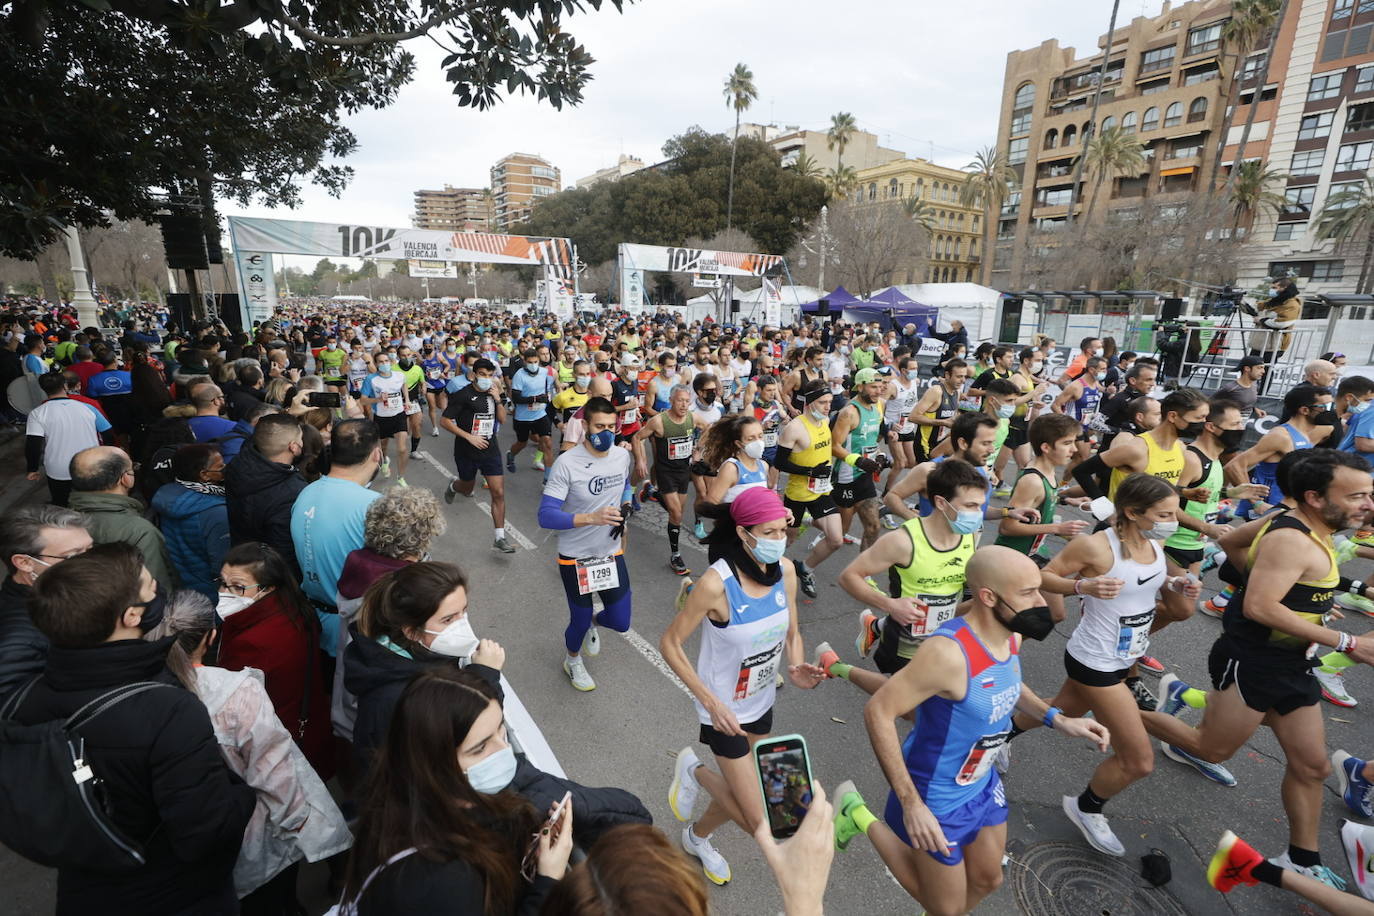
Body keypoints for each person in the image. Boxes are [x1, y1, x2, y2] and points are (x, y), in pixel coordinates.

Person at [831, 546, 1109, 916]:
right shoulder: (947, 654)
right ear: (988, 597)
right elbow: (879, 711)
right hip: (936, 795)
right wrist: (912, 804)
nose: (1040, 602)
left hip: (982, 782)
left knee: (988, 880)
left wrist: (1056, 718)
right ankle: (857, 815)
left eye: (1038, 589)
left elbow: (1008, 680)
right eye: (1027, 593)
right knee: (944, 909)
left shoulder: (1010, 634)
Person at [1142, 450, 1374, 889]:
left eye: (1371, 493)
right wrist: (1347, 643)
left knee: (1312, 768)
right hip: (1253, 662)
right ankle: (1111, 709)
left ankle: (1300, 860)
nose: (1369, 504)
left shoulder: (1305, 524)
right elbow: (1259, 605)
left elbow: (1231, 545)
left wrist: (1303, 600)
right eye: (1357, 495)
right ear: (1315, 497)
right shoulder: (1291, 537)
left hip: (1292, 666)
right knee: (1210, 749)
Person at [10, 542, 256, 914]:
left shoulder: (26, 698)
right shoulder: (167, 711)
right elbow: (206, 833)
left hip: (86, 889)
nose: (158, 589)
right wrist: (241, 793)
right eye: (150, 588)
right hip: (174, 894)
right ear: (130, 616)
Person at [1012, 474, 1226, 858]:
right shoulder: (1095, 547)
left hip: (1124, 656)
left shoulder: (1154, 543)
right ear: (1133, 511)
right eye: (1164, 513)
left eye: (1174, 511)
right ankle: (1086, 807)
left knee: (1063, 710)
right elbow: (1040, 576)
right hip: (1094, 661)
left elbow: (1158, 585)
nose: (1173, 520)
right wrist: (1083, 587)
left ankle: (994, 735)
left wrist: (1181, 587)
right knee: (1139, 760)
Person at [660, 487, 827, 886]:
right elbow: (670, 644)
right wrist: (710, 703)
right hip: (724, 710)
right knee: (761, 820)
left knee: (746, 789)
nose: (778, 540)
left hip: (761, 699)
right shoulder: (717, 584)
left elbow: (792, 631)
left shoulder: (785, 570)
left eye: (782, 531)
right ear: (743, 533)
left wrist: (796, 663)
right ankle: (695, 770)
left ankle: (696, 837)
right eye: (767, 533)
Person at [150, 589, 351, 912]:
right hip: (254, 832)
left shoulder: (143, 694)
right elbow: (272, 771)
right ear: (211, 637)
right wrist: (298, 823)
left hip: (186, 845)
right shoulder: (236, 692)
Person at [337, 667, 571, 915]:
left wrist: (525, 850)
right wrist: (548, 881)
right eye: (480, 748)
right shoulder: (443, 883)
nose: (503, 750)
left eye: (501, 730)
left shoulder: (403, 796)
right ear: (434, 766)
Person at [842, 459, 986, 676]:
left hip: (945, 641)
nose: (977, 513)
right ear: (941, 503)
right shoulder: (903, 541)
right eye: (970, 506)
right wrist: (890, 605)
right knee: (907, 707)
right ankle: (839, 667)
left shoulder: (970, 534)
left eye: (980, 506)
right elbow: (849, 577)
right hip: (905, 648)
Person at [538, 397, 635, 691]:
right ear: (584, 426)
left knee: (620, 621)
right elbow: (546, 516)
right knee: (577, 621)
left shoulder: (621, 456)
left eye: (610, 426)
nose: (606, 433)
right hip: (576, 557)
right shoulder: (567, 464)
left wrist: (627, 504)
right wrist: (591, 517)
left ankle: (595, 621)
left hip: (609, 552)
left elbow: (626, 485)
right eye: (599, 426)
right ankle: (573, 661)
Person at [290, 418, 383, 657]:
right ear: (377, 454)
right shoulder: (372, 505)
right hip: (354, 631)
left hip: (313, 620)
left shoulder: (306, 492)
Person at [0, 506, 91, 700]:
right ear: (24, 563)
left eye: (90, 549)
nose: (92, 562)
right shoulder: (22, 636)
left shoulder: (61, 591)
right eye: (72, 556)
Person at [68, 445, 176, 590]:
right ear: (125, 479)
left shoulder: (63, 520)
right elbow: (157, 589)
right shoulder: (139, 531)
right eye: (132, 468)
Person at [775, 380, 843, 599]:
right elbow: (780, 463)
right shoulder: (794, 428)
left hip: (821, 491)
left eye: (830, 402)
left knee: (836, 539)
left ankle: (805, 568)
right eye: (822, 402)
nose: (827, 407)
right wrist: (810, 471)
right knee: (788, 538)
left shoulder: (824, 422)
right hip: (797, 494)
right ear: (810, 403)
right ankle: (767, 571)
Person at [1226, 384, 1336, 518]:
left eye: (1332, 405)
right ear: (1305, 410)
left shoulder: (1309, 432)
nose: (1330, 411)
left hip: (1289, 507)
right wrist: (1257, 503)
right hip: (1269, 508)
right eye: (1325, 407)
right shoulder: (1281, 436)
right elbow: (1234, 466)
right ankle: (1224, 513)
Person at [440, 357, 515, 553]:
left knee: (498, 492)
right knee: (467, 486)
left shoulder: (493, 394)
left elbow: (502, 420)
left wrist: (498, 399)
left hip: (490, 448)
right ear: (474, 375)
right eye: (483, 375)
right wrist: (469, 437)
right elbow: (445, 421)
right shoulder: (463, 395)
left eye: (490, 375)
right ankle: (454, 485)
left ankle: (499, 538)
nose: (486, 379)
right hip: (466, 449)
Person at [994, 413, 1089, 564]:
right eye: (1067, 443)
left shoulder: (1049, 470)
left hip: (1032, 552)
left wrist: (1068, 500)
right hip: (1012, 558)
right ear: (1046, 447)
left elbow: (1041, 499)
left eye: (1073, 442)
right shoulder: (1033, 481)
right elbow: (1007, 527)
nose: (1074, 449)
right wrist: (1057, 528)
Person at [634, 385, 706, 576]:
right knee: (676, 513)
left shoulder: (692, 417)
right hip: (665, 472)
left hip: (684, 471)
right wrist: (641, 460)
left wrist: (699, 448)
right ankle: (676, 555)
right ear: (672, 401)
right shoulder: (659, 421)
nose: (684, 404)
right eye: (680, 400)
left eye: (686, 400)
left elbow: (709, 428)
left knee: (678, 512)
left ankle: (651, 492)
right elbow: (637, 437)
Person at [226, 413, 308, 571]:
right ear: (293, 447)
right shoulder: (291, 493)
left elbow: (260, 436)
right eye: (301, 439)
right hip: (269, 569)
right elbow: (285, 551)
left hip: (242, 552)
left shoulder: (238, 463)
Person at [152, 444, 230, 602]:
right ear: (204, 475)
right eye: (220, 466)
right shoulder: (216, 512)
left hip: (182, 588)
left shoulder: (168, 497)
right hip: (212, 594)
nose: (225, 468)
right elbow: (222, 566)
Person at [24, 371, 110, 505]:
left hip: (58, 469)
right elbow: (108, 434)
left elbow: (33, 445)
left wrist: (32, 469)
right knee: (93, 503)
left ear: (44, 389)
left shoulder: (37, 413)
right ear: (65, 386)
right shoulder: (88, 407)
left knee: (62, 504)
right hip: (90, 465)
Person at [830, 367, 888, 551]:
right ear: (860, 387)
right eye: (873, 387)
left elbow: (869, 441)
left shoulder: (877, 407)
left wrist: (879, 455)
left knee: (873, 527)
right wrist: (858, 461)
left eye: (880, 386)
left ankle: (863, 572)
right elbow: (834, 446)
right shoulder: (849, 412)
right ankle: (812, 522)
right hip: (846, 478)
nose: (879, 391)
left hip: (864, 477)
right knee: (839, 533)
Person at [358, 351, 413, 486]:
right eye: (381, 362)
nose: (384, 364)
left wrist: (407, 399)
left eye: (386, 361)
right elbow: (363, 400)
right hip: (382, 417)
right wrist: (378, 399)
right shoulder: (371, 379)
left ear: (390, 361)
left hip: (399, 415)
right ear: (376, 364)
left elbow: (404, 385)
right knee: (383, 446)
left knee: (402, 449)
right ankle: (385, 461)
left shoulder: (399, 375)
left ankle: (400, 476)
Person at [507, 348, 557, 475]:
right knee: (522, 443)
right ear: (525, 361)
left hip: (540, 414)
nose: (533, 365)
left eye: (535, 362)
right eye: (530, 362)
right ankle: (511, 454)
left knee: (547, 443)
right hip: (523, 417)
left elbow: (547, 390)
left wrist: (546, 398)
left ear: (538, 360)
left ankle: (547, 479)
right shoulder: (519, 375)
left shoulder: (544, 372)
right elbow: (516, 398)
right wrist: (535, 399)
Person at [1218, 356, 1268, 422]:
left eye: (1263, 368)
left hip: (1241, 426)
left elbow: (1243, 404)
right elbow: (1210, 404)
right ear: (1247, 368)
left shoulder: (1255, 385)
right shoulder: (1230, 388)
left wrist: (1255, 409)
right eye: (1259, 368)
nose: (1263, 371)